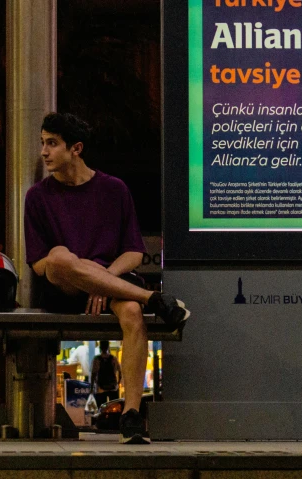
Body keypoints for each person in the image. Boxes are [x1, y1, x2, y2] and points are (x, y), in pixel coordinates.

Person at [24, 112, 190, 444]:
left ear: (76, 148)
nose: (43, 151)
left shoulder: (114, 190)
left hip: (111, 284)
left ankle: (130, 415)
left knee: (130, 313)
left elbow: (133, 253)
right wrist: (85, 277)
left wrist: (102, 279)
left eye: (52, 143)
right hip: (63, 287)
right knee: (59, 256)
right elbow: (41, 265)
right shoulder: (38, 197)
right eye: (42, 143)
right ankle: (155, 301)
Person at [91, 340, 122, 407]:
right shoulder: (113, 358)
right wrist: (118, 383)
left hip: (100, 389)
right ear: (108, 347)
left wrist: (92, 388)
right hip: (113, 388)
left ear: (100, 347)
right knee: (114, 408)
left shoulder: (97, 359)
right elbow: (120, 372)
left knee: (101, 408)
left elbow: (93, 374)